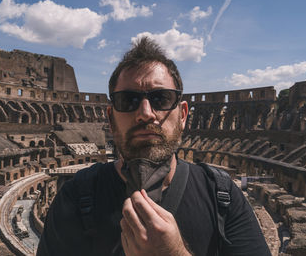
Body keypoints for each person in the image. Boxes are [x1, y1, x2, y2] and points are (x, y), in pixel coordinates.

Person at [37, 37, 271, 256]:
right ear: (110, 118)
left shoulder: (223, 195)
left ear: (182, 115)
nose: (146, 114)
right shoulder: (74, 197)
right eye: (128, 100)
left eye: (161, 99)